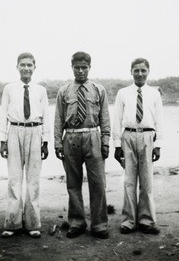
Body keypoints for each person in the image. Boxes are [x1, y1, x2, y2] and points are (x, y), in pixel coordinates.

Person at [54, 51, 110, 239]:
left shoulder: (98, 89)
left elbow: (105, 118)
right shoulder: (64, 91)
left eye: (84, 67)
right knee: (73, 183)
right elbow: (58, 119)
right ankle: (76, 222)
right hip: (70, 138)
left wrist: (105, 142)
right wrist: (57, 143)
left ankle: (99, 224)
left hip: (92, 137)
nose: (80, 71)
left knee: (98, 183)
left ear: (89, 68)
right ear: (72, 68)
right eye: (77, 67)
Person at [0, 52, 50, 238]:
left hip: (35, 131)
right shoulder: (9, 89)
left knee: (33, 180)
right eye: (23, 65)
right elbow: (3, 113)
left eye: (29, 65)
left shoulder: (41, 90)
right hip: (14, 130)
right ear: (17, 67)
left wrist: (45, 142)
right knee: (14, 178)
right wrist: (2, 140)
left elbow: (46, 116)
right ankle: (12, 223)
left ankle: (32, 223)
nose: (26, 68)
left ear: (34, 68)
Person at [112, 58, 164, 235]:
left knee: (147, 181)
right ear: (131, 72)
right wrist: (117, 145)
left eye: (143, 70)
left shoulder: (154, 93)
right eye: (136, 70)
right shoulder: (123, 93)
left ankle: (146, 220)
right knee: (129, 181)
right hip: (128, 136)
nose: (140, 74)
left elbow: (160, 121)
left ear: (148, 71)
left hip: (148, 136)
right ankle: (128, 220)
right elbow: (117, 120)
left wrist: (158, 145)